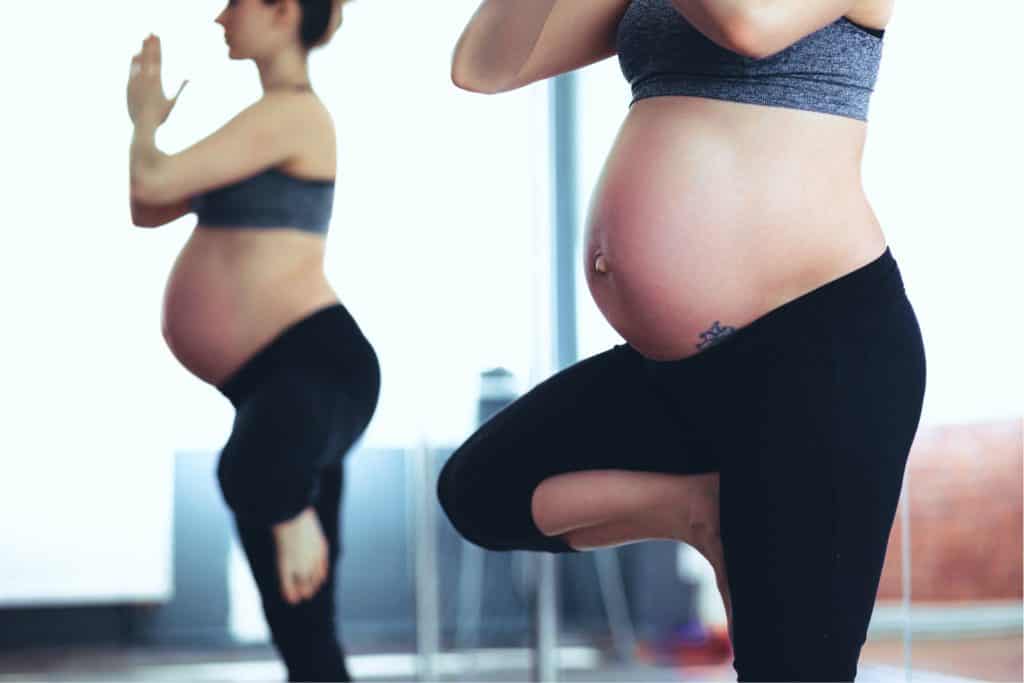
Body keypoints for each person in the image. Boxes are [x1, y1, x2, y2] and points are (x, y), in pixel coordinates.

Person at [437, 1, 925, 680]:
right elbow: (482, 66)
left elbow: (748, 27)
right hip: (679, 373)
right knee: (482, 489)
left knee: (791, 669)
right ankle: (701, 509)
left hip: (818, 352)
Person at [126, 1, 377, 680]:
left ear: (282, 9)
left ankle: (287, 501)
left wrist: (146, 117)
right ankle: (284, 500)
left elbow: (151, 176)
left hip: (315, 367)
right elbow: (147, 207)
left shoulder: (293, 114)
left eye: (235, 1)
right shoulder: (263, 122)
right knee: (302, 626)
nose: (220, 18)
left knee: (251, 474)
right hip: (280, 382)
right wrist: (145, 127)